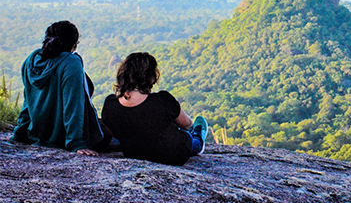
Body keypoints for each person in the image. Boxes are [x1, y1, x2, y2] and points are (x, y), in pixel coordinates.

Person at [11, 20, 112, 156]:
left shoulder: (31, 60)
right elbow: (73, 106)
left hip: (38, 134)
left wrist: (19, 134)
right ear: (74, 44)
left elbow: (28, 101)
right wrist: (76, 143)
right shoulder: (71, 63)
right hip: (62, 138)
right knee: (108, 132)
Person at [101, 52, 207, 166]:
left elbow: (112, 130)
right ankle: (198, 140)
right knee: (189, 136)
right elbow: (186, 124)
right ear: (151, 78)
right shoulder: (162, 99)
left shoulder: (110, 104)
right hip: (174, 155)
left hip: (135, 154)